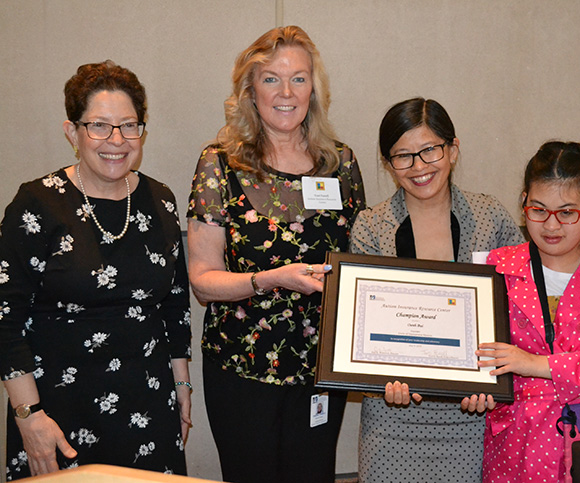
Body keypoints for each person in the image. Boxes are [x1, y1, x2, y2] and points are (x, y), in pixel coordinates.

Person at [186, 26, 365, 483]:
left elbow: (359, 266)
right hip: (242, 369)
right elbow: (202, 280)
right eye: (271, 79)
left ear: (314, 89)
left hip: (320, 370)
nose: (286, 93)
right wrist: (269, 278)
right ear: (249, 89)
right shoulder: (220, 163)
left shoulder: (339, 162)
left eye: (299, 79)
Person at [0, 61, 192, 479]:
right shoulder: (37, 203)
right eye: (99, 126)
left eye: (129, 125)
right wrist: (27, 414)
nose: (117, 141)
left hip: (149, 405)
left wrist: (182, 387)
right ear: (72, 132)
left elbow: (175, 304)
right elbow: (5, 319)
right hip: (59, 412)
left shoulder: (160, 198)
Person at [349, 97, 524, 482]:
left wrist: (496, 378)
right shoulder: (371, 226)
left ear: (453, 149)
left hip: (473, 416)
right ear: (388, 163)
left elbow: (520, 308)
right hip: (392, 420)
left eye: (430, 150)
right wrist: (380, 381)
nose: (419, 167)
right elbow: (359, 330)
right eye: (403, 156)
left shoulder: (489, 216)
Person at [462, 141, 580, 480]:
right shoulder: (497, 267)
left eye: (566, 212)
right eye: (538, 210)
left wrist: (537, 365)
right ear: (523, 204)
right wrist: (479, 392)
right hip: (518, 450)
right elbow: (480, 359)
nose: (551, 226)